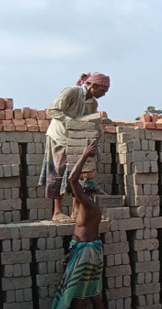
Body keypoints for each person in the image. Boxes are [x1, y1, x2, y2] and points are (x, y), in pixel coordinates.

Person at [47, 139, 107, 309]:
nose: (75, 193)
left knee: (78, 296)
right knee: (95, 293)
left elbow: (72, 179)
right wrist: (70, 255)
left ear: (85, 191)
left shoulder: (88, 204)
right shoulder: (91, 207)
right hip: (91, 250)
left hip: (86, 253)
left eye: (80, 190)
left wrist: (84, 154)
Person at [39, 72, 110, 223]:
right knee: (58, 171)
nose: (104, 94)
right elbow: (51, 110)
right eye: (103, 91)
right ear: (94, 86)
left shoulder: (93, 103)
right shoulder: (71, 92)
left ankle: (75, 210)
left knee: (79, 171)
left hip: (76, 139)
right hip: (59, 136)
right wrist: (70, 121)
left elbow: (92, 122)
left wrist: (97, 135)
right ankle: (57, 212)